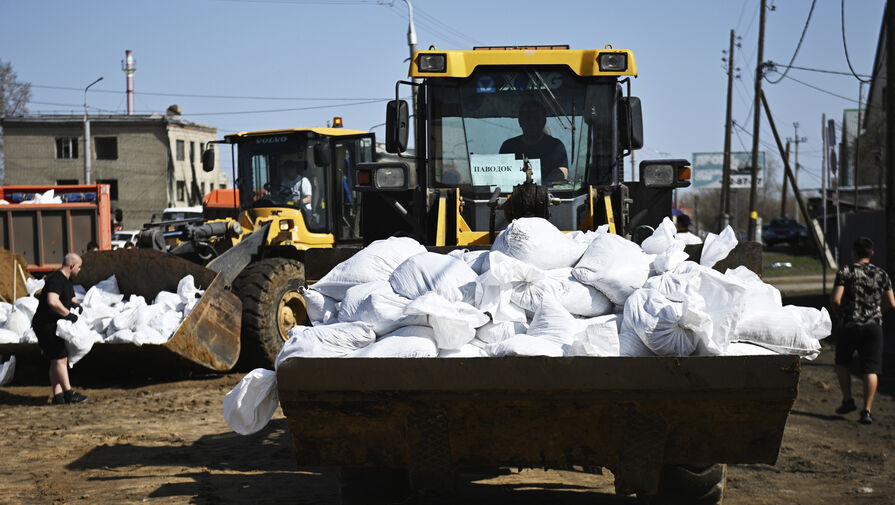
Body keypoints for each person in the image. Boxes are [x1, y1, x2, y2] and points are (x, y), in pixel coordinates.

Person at [830, 237, 895, 424]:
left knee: (842, 363)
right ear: (872, 253)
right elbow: (891, 302)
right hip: (873, 327)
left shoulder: (846, 271)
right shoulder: (882, 274)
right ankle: (866, 410)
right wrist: (877, 314)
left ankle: (848, 400)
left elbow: (835, 299)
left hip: (850, 324)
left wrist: (841, 315)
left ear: (854, 253)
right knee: (871, 368)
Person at [31, 252, 88, 405]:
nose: (80, 270)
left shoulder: (67, 281)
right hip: (45, 325)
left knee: (55, 360)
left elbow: (71, 298)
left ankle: (58, 396)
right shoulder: (56, 280)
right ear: (72, 266)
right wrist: (68, 314)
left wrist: (76, 306)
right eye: (79, 267)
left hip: (54, 325)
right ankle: (69, 394)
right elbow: (52, 301)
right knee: (61, 358)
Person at [499, 100, 569, 183]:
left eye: (536, 118)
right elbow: (501, 176)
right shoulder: (508, 147)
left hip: (548, 195)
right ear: (520, 122)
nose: (532, 122)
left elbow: (562, 174)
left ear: (544, 122)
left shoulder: (555, 146)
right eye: (527, 118)